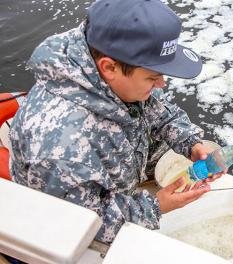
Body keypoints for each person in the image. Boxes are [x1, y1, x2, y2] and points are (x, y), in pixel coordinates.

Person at [9, 0, 222, 244]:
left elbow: (157, 109)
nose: (162, 84)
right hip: (71, 219)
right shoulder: (61, 147)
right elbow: (80, 226)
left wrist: (191, 143)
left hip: (114, 168)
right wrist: (156, 206)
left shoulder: (102, 59)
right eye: (153, 77)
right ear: (109, 67)